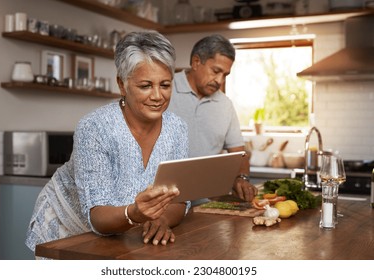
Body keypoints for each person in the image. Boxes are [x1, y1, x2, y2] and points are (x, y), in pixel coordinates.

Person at [25, 31, 190, 253]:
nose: (158, 96)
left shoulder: (177, 128)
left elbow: (179, 202)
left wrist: (161, 220)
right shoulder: (95, 127)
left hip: (126, 234)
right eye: (145, 86)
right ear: (122, 85)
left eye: (165, 85)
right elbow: (98, 216)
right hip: (68, 230)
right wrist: (136, 214)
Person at [168, 34, 257, 202]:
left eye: (225, 75)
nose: (219, 81)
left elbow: (239, 153)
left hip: (205, 203)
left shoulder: (225, 105)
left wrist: (242, 178)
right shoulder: (164, 89)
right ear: (196, 62)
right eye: (216, 71)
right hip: (164, 202)